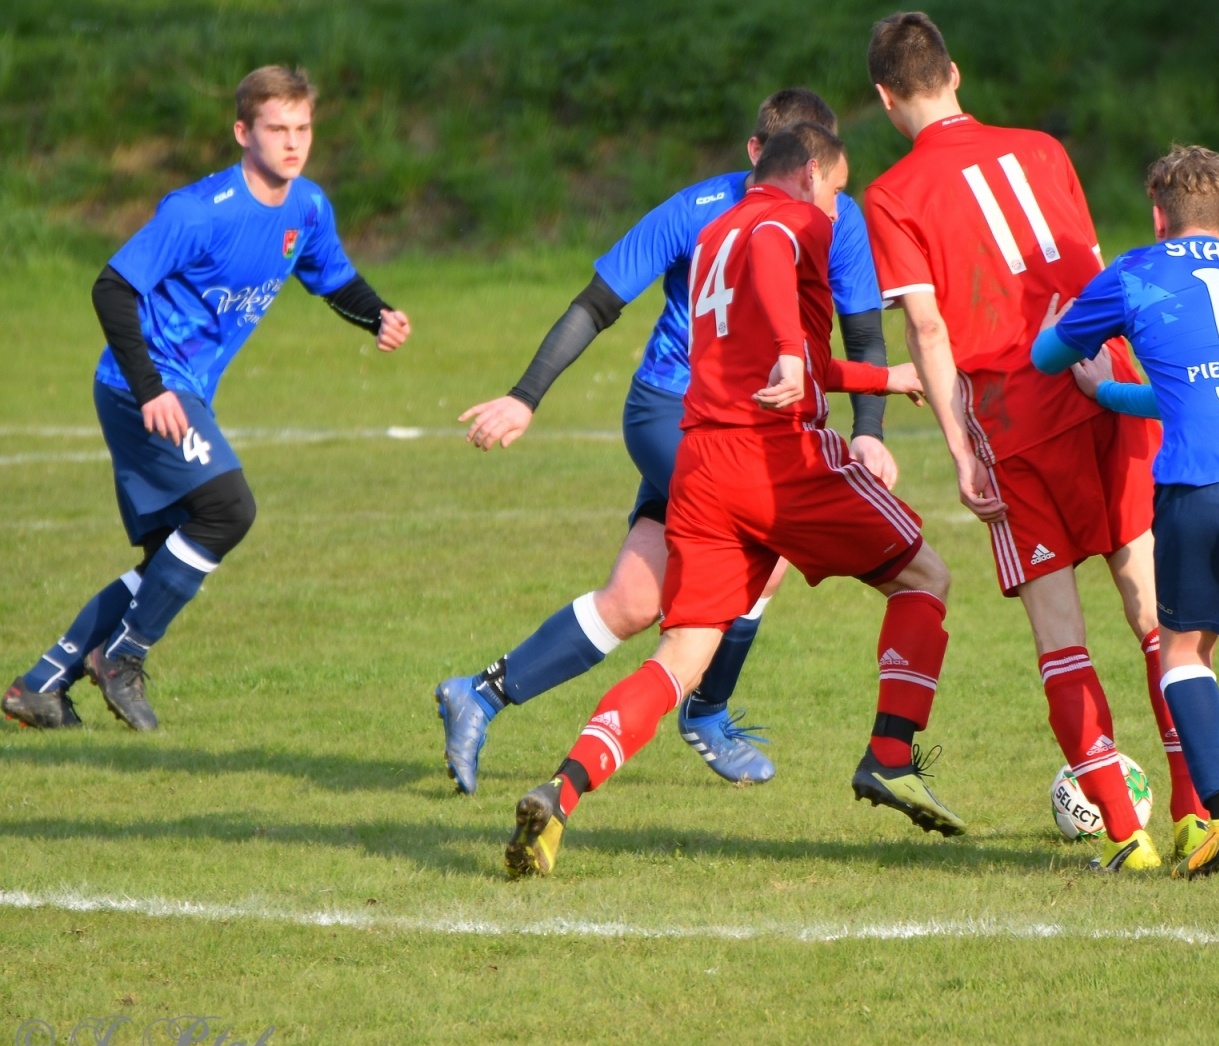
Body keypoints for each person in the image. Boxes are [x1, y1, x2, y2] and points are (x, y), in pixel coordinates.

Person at [505, 124, 962, 878]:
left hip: (704, 464)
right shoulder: (798, 218)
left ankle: (563, 791)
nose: (838, 205)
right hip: (776, 459)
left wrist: (886, 380)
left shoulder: (713, 232)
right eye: (839, 187)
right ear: (811, 172)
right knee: (927, 578)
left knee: (681, 656)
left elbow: (805, 358)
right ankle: (890, 754)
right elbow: (782, 262)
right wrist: (792, 344)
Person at [435, 89, 895, 794]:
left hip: (745, 425)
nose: (822, 188)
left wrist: (870, 434)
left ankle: (481, 693)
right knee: (764, 547)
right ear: (763, 155)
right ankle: (705, 709)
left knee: (633, 598)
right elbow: (598, 302)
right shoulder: (697, 210)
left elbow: (861, 329)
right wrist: (524, 396)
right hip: (672, 411)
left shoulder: (841, 218)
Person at [861, 12, 1205, 872]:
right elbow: (1096, 269)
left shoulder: (893, 196)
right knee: (1152, 610)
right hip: (1105, 379)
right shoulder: (1045, 148)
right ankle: (1199, 812)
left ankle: (1128, 837)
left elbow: (930, 331)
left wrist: (959, 445)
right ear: (957, 73)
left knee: (1062, 631)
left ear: (884, 95)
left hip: (1016, 416)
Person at [2, 66, 410, 732]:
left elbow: (330, 274)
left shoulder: (306, 207)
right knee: (228, 508)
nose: (292, 142)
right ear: (242, 132)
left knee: (166, 558)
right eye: (276, 128)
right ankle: (122, 657)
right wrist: (150, 389)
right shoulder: (196, 212)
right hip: (142, 390)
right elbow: (111, 288)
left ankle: (40, 685)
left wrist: (377, 314)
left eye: (302, 128)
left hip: (181, 392)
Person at [1033, 144, 1219, 878]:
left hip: (1207, 477)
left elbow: (1050, 355)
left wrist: (1073, 347)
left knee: (1183, 648)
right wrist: (1117, 397)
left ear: (1157, 219)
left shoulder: (1139, 270)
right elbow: (1206, 387)